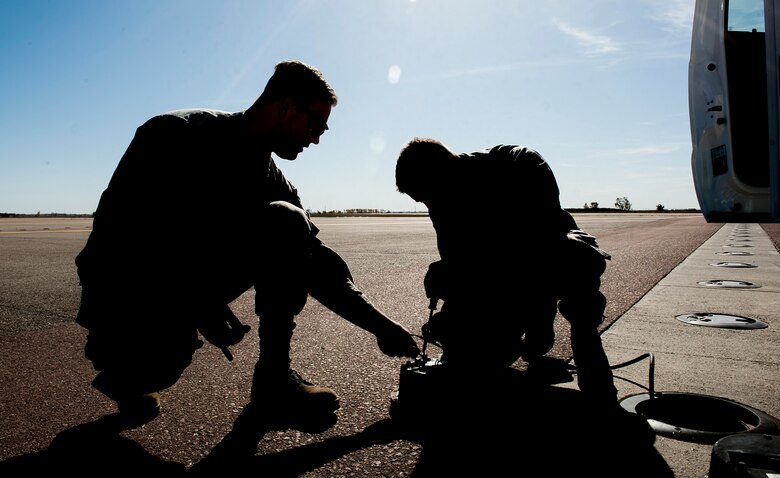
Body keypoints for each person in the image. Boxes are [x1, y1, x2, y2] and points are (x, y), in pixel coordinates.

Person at [75, 60, 420, 429]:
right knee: (158, 364)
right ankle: (121, 367)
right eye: (316, 124)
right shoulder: (177, 134)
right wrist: (196, 298)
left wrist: (382, 326)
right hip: (121, 287)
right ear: (285, 107)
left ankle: (273, 379)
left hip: (182, 287)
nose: (317, 138)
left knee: (288, 223)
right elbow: (124, 234)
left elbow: (315, 262)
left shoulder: (272, 179)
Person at [394, 137, 618, 406]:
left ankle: (598, 388)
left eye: (427, 195)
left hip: (553, 260)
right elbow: (459, 264)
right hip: (505, 275)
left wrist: (539, 321)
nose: (430, 205)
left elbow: (537, 249)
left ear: (442, 172)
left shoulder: (519, 163)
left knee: (575, 262)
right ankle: (512, 347)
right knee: (467, 356)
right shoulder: (441, 199)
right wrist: (450, 315)